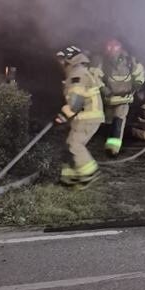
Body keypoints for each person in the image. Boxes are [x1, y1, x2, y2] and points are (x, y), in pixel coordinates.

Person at [55, 45, 103, 187]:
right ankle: (69, 178)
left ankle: (89, 173)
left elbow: (75, 102)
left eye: (61, 60)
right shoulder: (78, 72)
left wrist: (62, 116)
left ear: (69, 59)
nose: (60, 64)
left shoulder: (77, 74)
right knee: (69, 144)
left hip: (88, 117)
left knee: (75, 145)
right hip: (84, 117)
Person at [98, 38, 145, 156]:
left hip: (124, 98)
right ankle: (106, 143)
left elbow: (139, 73)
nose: (112, 50)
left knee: (118, 121)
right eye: (109, 47)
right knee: (108, 122)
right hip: (109, 98)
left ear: (121, 48)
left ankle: (113, 149)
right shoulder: (103, 61)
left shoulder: (130, 60)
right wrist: (104, 89)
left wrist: (137, 84)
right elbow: (95, 77)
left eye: (115, 47)